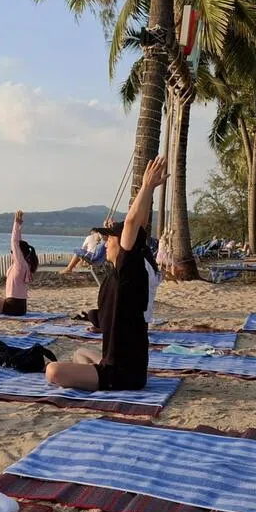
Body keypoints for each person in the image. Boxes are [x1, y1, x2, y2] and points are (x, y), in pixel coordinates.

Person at [45, 156, 167, 391]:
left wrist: (146, 187)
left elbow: (133, 223)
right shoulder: (120, 274)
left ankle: (100, 380)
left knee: (53, 371)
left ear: (122, 245)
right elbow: (137, 225)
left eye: (109, 238)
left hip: (124, 373)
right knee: (81, 353)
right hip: (123, 364)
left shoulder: (128, 271)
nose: (104, 242)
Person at [0, 210, 38, 316]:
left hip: (14, 307)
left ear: (19, 254)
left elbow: (15, 242)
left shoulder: (20, 265)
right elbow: (19, 243)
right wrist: (20, 225)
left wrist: (16, 223)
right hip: (20, 307)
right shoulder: (25, 265)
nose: (12, 253)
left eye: (12, 251)